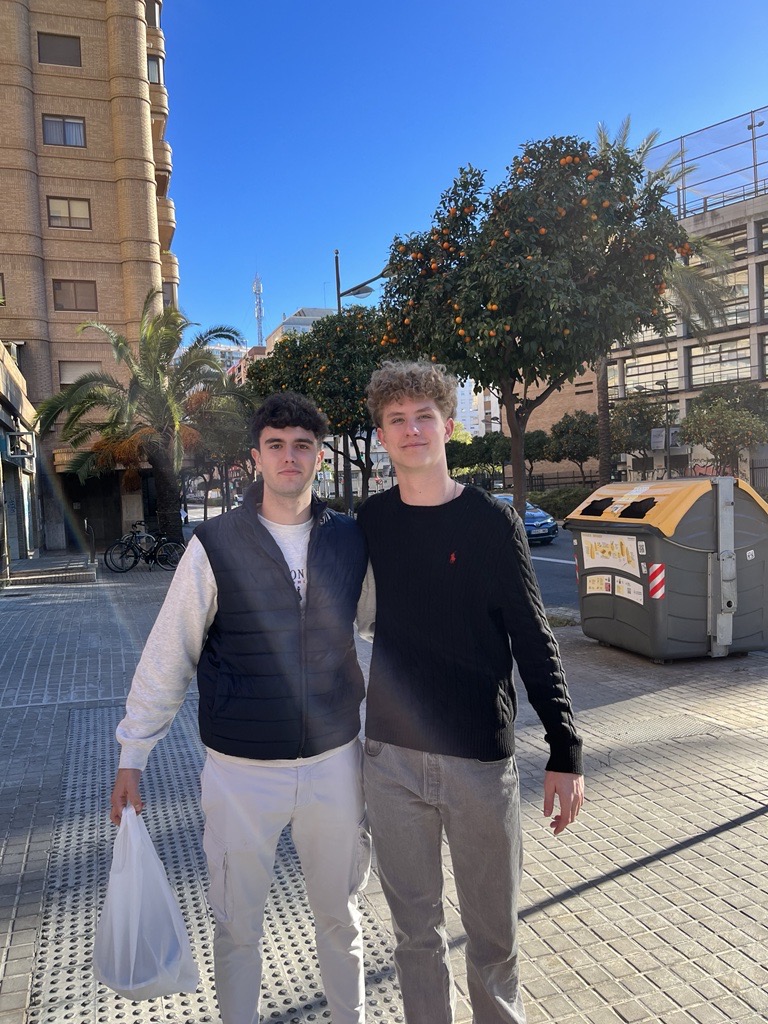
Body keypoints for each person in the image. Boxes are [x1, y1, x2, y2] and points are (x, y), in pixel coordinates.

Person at [109, 393, 371, 1024]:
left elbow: (380, 628)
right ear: (255, 457)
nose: (289, 457)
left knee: (342, 918)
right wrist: (132, 755)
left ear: (320, 456)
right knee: (236, 927)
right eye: (276, 445)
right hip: (240, 772)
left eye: (302, 445)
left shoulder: (349, 540)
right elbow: (170, 651)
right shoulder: (216, 544)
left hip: (336, 762)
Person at [356, 361, 584, 1024]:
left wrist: (565, 748)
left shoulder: (491, 522)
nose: (411, 429)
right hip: (391, 761)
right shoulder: (369, 522)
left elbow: (533, 636)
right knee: (415, 938)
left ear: (448, 425)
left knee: (494, 940)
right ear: (381, 436)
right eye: (396, 419)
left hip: (480, 762)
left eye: (423, 416)